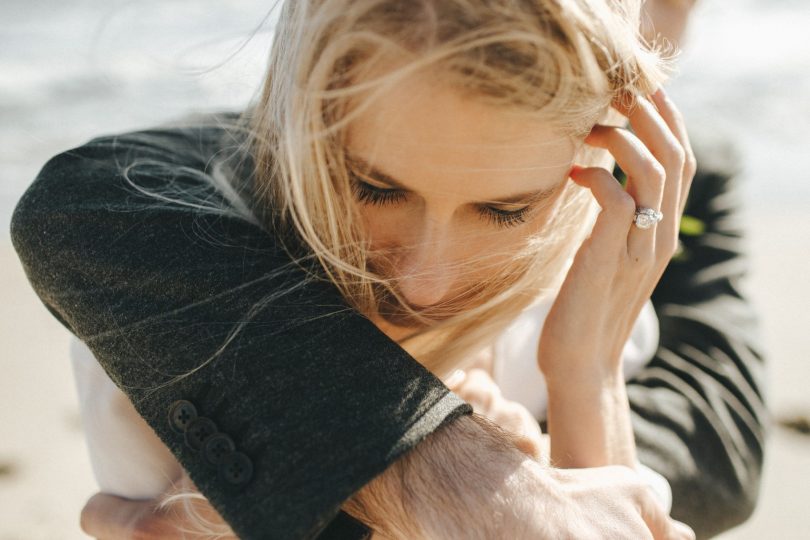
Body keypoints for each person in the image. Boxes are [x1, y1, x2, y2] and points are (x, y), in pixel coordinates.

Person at [10, 0, 764, 538]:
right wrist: (463, 473)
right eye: (376, 187)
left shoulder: (585, 297)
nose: (426, 282)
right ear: (305, 125)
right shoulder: (192, 301)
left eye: (505, 209)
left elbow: (721, 456)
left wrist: (586, 378)